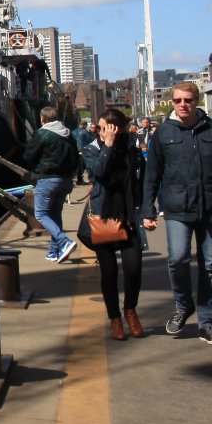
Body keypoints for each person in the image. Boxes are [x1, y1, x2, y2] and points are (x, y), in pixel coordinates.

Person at [143, 80, 212, 345]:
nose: (183, 105)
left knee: (209, 265)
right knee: (177, 258)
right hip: (177, 206)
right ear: (172, 102)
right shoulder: (163, 133)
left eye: (188, 100)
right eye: (178, 100)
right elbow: (152, 174)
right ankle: (183, 305)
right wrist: (148, 210)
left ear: (197, 101)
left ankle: (207, 323)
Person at [80, 110, 148, 339]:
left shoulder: (130, 147)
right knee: (109, 271)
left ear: (118, 129)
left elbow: (142, 179)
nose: (103, 132)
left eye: (108, 128)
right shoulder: (91, 149)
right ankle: (115, 318)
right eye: (101, 128)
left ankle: (130, 310)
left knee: (134, 268)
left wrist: (148, 210)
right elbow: (98, 171)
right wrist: (107, 145)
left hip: (128, 214)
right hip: (103, 216)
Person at [22, 105, 81, 263]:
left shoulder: (42, 134)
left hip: (47, 179)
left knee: (40, 214)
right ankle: (53, 252)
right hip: (65, 180)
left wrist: (36, 167)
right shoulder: (68, 135)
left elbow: (28, 156)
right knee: (55, 215)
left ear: (42, 119)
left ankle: (64, 241)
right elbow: (76, 157)